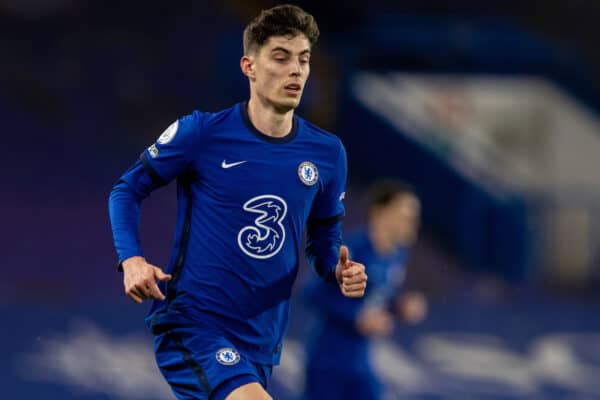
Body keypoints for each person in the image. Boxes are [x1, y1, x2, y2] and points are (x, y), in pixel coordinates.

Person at [108, 4, 367, 400]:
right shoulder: (202, 133)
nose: (296, 70)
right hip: (194, 324)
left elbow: (323, 239)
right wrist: (132, 260)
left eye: (304, 59)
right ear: (249, 66)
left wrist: (337, 271)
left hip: (262, 341)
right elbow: (126, 190)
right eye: (281, 57)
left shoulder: (328, 153)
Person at [303, 180, 426, 400]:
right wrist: (355, 317)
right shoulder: (352, 250)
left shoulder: (397, 254)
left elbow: (375, 297)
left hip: (361, 362)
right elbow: (312, 291)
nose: (412, 224)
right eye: (405, 216)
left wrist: (399, 306)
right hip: (330, 362)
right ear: (381, 213)